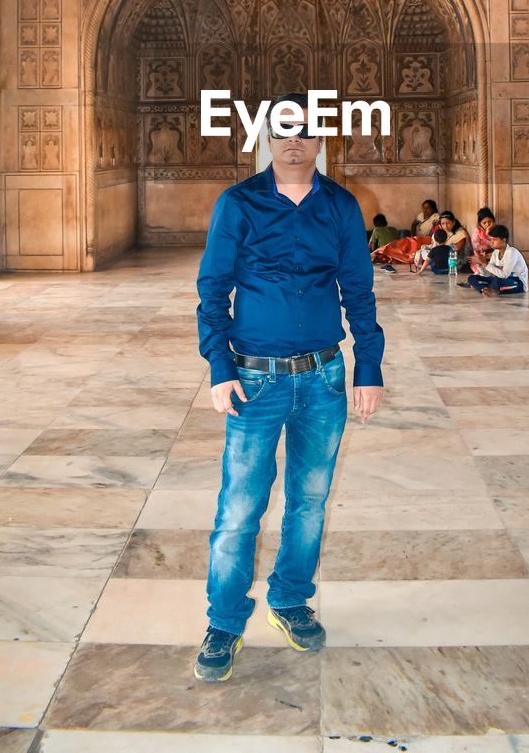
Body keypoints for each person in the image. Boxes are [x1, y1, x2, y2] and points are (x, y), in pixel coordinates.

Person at [194, 92, 384, 684]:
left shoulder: (342, 207)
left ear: (319, 136)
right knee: (239, 509)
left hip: (324, 378)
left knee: (308, 503)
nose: (293, 140)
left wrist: (368, 367)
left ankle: (289, 598)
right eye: (282, 131)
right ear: (267, 138)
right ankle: (224, 620)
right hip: (255, 380)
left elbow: (359, 289)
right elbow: (212, 289)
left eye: (304, 130)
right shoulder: (239, 204)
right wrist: (220, 367)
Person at [468, 224, 529, 296]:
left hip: (517, 282)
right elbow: (488, 274)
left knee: (497, 280)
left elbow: (505, 275)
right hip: (500, 280)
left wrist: (485, 263)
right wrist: (480, 263)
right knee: (472, 278)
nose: (491, 242)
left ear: (503, 240)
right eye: (490, 240)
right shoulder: (495, 253)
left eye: (494, 239)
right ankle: (485, 289)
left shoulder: (511, 252)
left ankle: (492, 289)